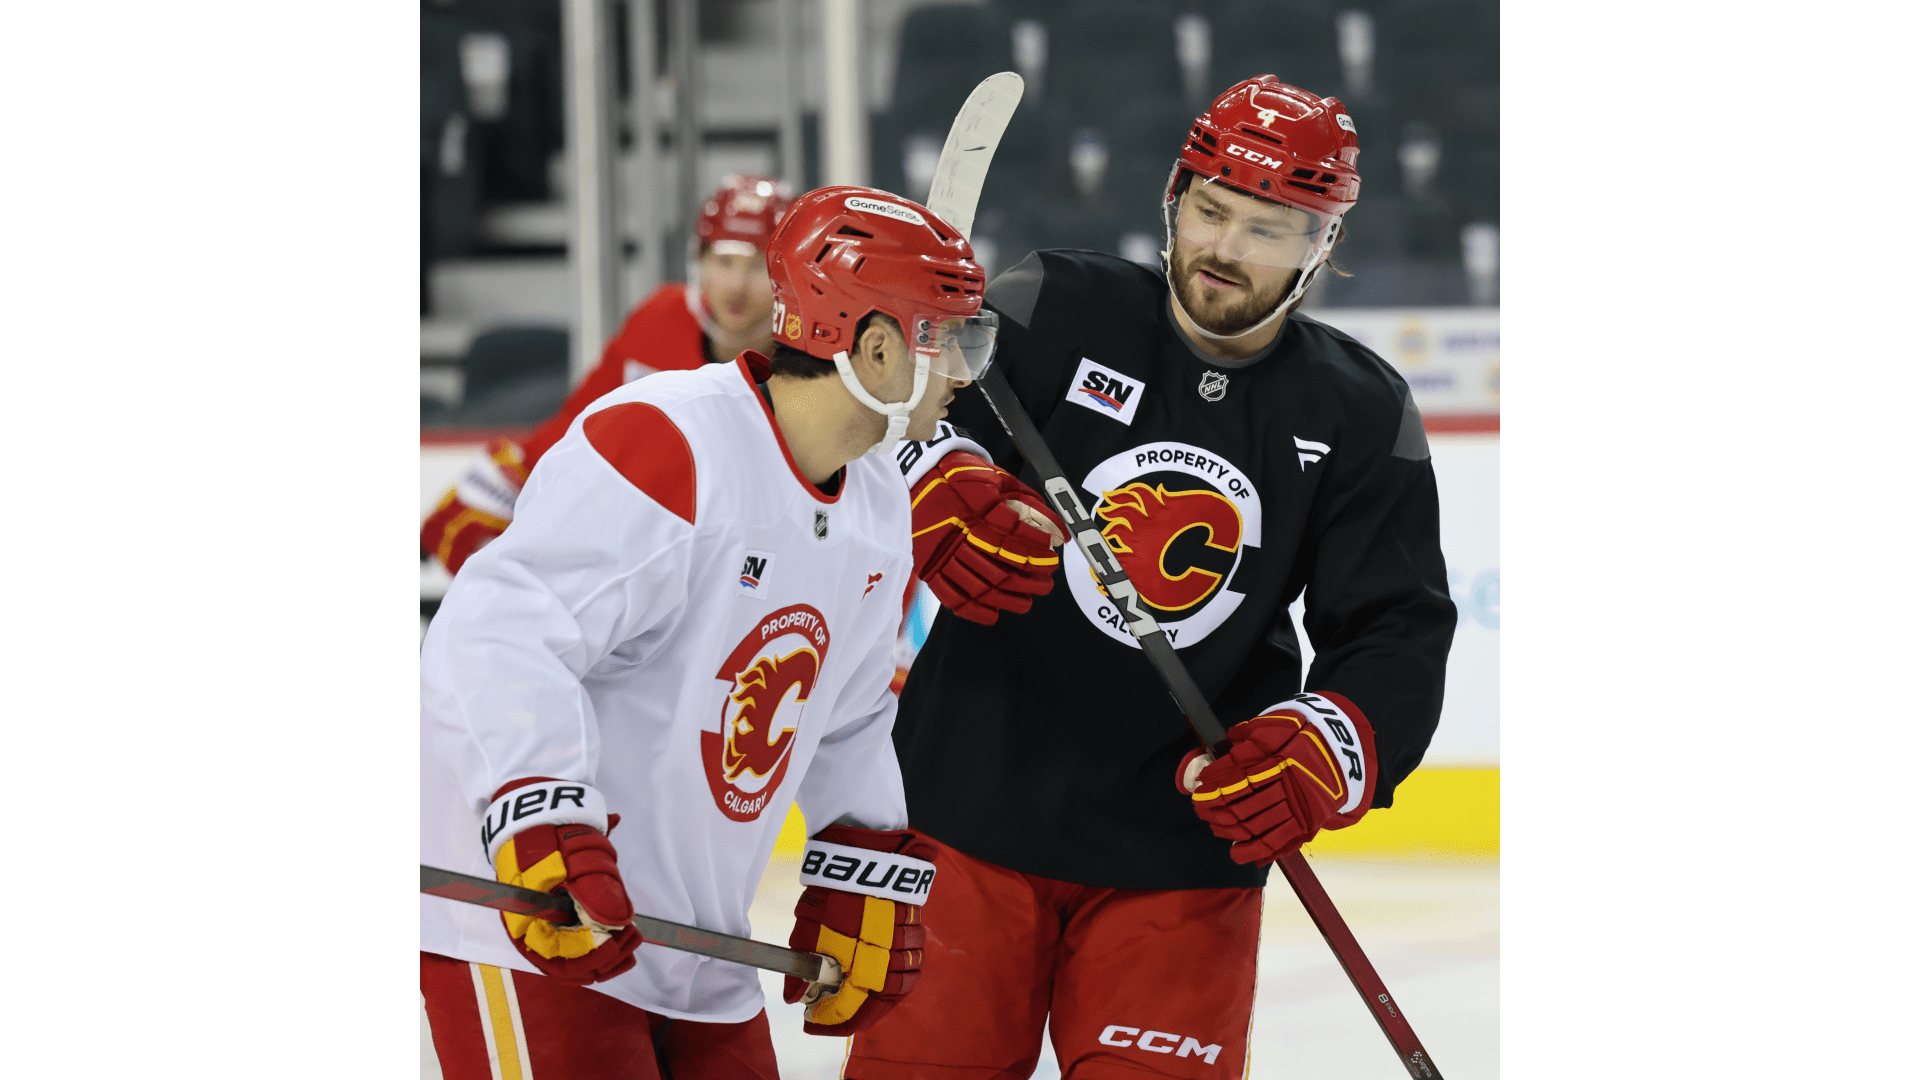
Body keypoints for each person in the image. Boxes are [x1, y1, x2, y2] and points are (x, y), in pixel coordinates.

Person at [853, 76, 1458, 1078]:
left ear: (1323, 246)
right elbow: (895, 420)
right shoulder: (1055, 303)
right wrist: (931, 479)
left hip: (1181, 850)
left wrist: (1330, 741)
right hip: (963, 809)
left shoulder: (1359, 410)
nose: (1225, 248)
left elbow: (1395, 629)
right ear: (1173, 198)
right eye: (1210, 211)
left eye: (1268, 230)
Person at [418, 186, 1004, 1080]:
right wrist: (541, 816)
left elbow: (847, 716)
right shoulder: (669, 441)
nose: (964, 371)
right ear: (877, 348)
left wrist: (864, 860)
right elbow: (499, 634)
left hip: (697, 943)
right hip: (533, 920)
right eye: (948, 338)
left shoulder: (881, 496)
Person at [421, 174, 795, 575]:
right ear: (699, 262)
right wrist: (512, 477)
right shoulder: (659, 320)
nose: (736, 286)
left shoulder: (807, 358)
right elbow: (580, 423)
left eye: (756, 266)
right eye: (723, 262)